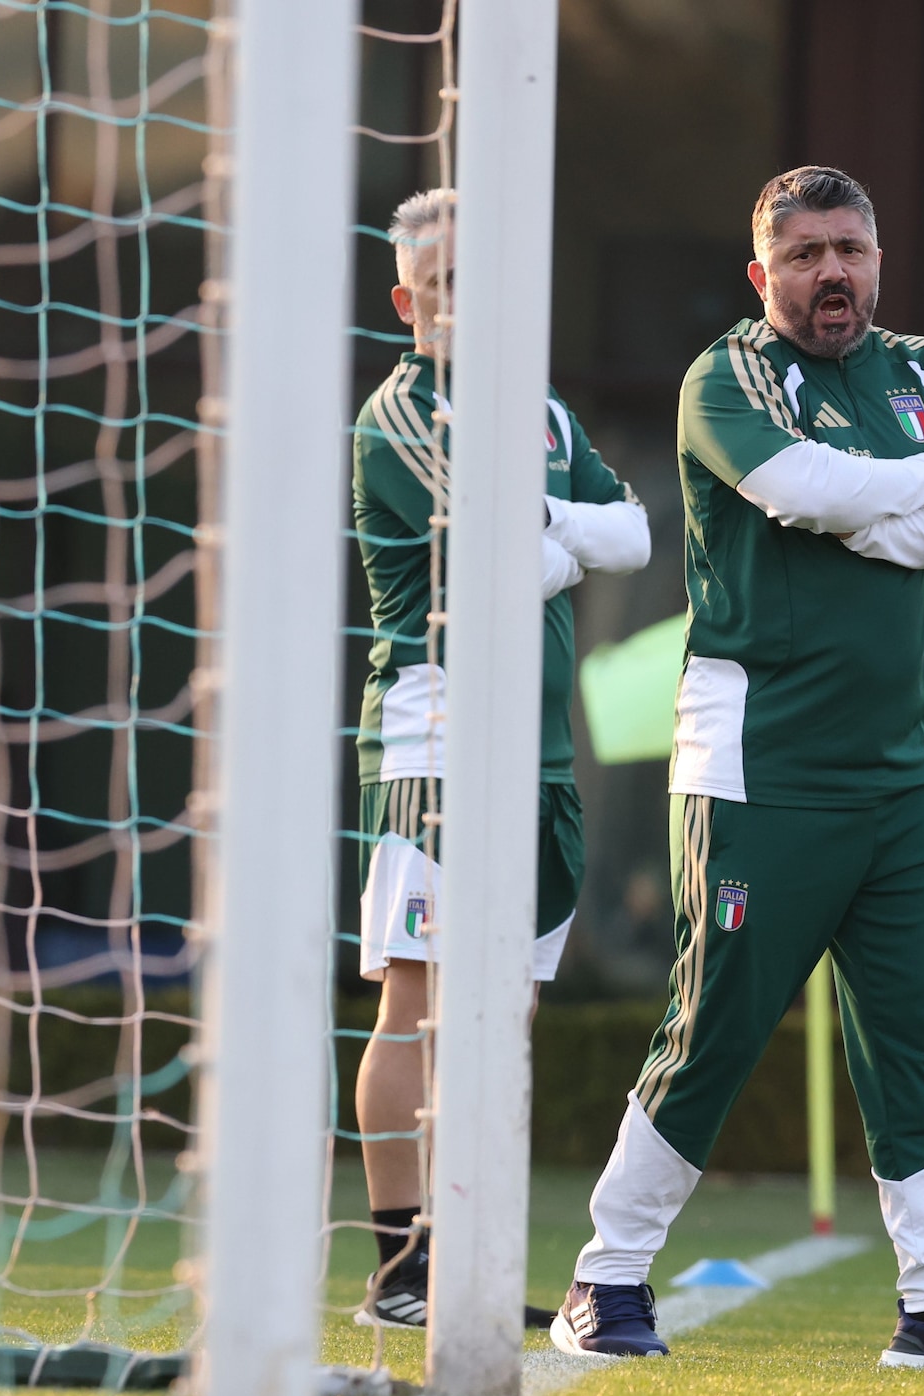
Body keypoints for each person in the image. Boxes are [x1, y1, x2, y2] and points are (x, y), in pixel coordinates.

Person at [550, 166, 924, 1374]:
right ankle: (605, 1277)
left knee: (917, 1038)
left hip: (902, 772)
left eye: (849, 249)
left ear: (879, 261)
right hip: (757, 763)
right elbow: (794, 487)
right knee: (715, 1026)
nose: (830, 272)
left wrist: (879, 512)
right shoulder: (726, 376)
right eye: (803, 254)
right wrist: (920, 495)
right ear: (762, 274)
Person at [351, 188, 650, 1330]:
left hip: (538, 749)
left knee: (506, 1018)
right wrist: (567, 534)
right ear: (409, 302)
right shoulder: (403, 416)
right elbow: (504, 565)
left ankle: (465, 1259)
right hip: (437, 743)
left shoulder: (537, 411)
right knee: (420, 1009)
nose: (471, 306)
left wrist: (558, 528)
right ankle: (400, 1270)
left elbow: (629, 534)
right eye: (448, 286)